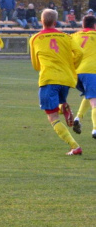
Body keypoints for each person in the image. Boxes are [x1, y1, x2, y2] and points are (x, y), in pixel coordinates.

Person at [30, 8, 83, 155]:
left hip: (49, 79)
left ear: (41, 21)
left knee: (52, 117)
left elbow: (35, 65)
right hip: (66, 79)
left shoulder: (35, 38)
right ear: (55, 22)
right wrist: (71, 64)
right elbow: (80, 53)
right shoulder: (67, 37)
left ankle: (74, 146)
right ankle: (63, 107)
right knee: (57, 105)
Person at [71, 15, 96, 137]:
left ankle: (78, 118)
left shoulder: (74, 36)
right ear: (94, 25)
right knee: (94, 100)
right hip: (91, 71)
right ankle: (95, 129)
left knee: (89, 95)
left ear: (83, 25)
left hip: (76, 73)